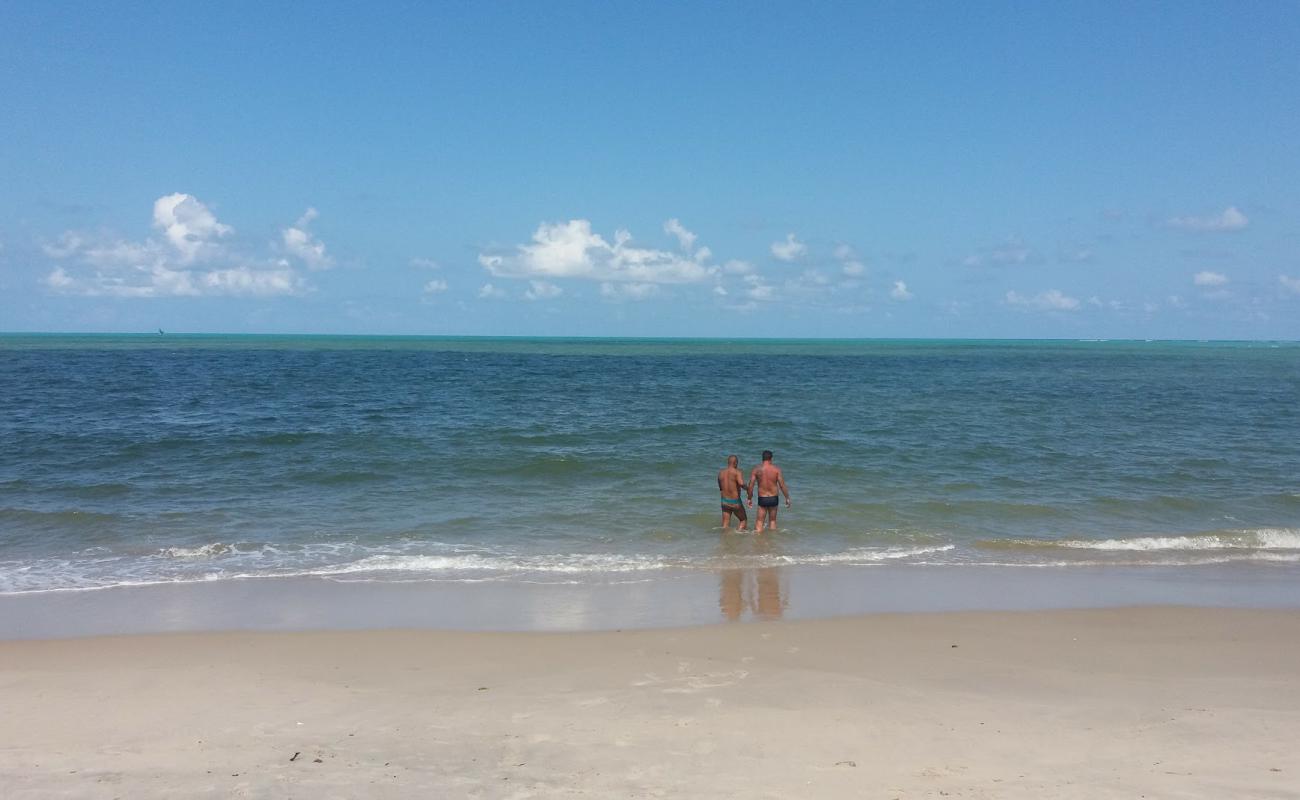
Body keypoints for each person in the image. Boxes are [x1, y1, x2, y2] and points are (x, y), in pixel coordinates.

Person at [747, 450, 791, 532]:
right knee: (772, 521)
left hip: (762, 498)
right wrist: (787, 498)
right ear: (771, 459)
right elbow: (782, 485)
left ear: (762, 458)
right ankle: (772, 542)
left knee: (759, 522)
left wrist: (749, 498)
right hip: (773, 498)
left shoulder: (756, 470)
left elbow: (751, 485)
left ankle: (758, 542)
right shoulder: (776, 470)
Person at [717, 454, 751, 530]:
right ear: (735, 463)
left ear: (728, 462)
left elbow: (721, 488)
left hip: (724, 501)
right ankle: (738, 537)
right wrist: (748, 488)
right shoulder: (737, 472)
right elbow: (741, 484)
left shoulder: (721, 473)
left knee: (725, 524)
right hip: (735, 502)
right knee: (743, 520)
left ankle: (725, 540)